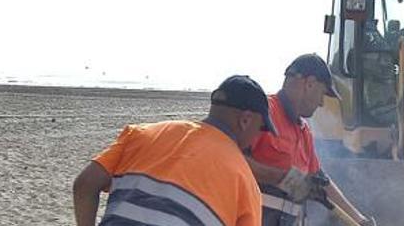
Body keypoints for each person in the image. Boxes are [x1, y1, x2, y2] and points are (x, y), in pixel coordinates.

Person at [72, 75, 277, 226]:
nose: (257, 137)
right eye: (261, 129)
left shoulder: (142, 134)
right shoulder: (246, 183)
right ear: (245, 120)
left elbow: (84, 184)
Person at [246, 54, 375, 226]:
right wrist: (287, 180)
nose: (321, 103)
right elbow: (235, 162)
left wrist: (359, 220)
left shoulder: (304, 131)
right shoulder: (264, 113)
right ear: (309, 84)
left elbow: (322, 182)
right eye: (322, 93)